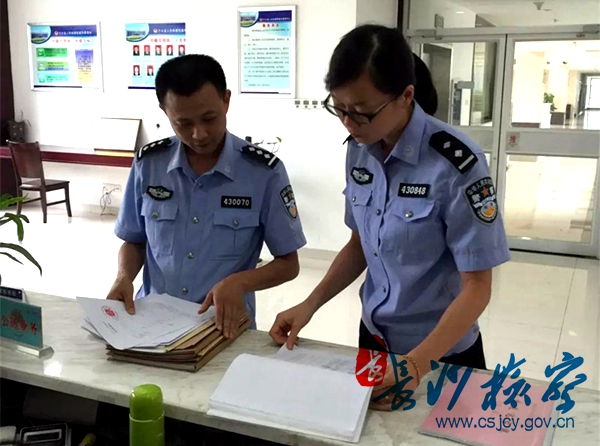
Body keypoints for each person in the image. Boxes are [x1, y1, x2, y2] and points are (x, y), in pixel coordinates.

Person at [269, 25, 510, 409]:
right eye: (339, 108)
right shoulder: (359, 149)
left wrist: (415, 365)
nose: (348, 123)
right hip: (375, 339)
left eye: (361, 112)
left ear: (406, 96)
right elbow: (359, 246)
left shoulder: (457, 164)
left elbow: (478, 287)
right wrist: (310, 304)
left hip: (442, 353)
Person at [108, 54, 306, 339]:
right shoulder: (149, 164)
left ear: (226, 101)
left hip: (223, 329)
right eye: (183, 123)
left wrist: (239, 282)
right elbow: (134, 240)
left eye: (209, 119)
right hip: (151, 324)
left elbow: (288, 264)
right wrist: (123, 277)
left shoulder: (262, 173)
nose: (199, 134)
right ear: (165, 111)